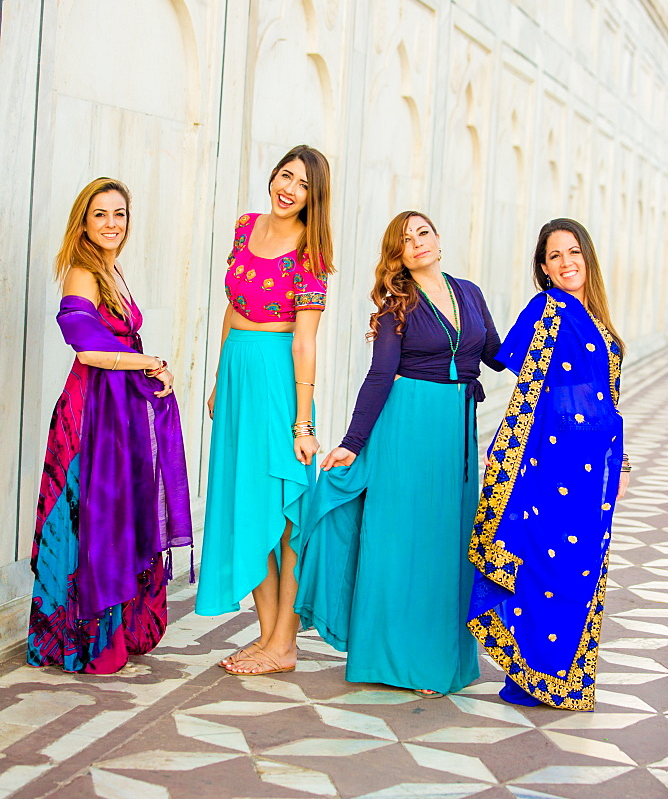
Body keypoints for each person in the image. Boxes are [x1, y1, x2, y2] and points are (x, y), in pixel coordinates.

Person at [295, 211, 504, 697]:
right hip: (406, 425)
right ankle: (398, 660)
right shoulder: (399, 305)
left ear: (438, 238)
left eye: (423, 233)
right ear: (398, 255)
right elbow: (379, 376)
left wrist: (553, 332)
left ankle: (439, 660)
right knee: (406, 542)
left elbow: (498, 353)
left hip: (455, 428)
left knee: (446, 543)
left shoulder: (469, 292)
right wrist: (351, 443)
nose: (418, 244)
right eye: (406, 241)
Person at [28, 178, 192, 674]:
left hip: (115, 410)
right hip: (89, 413)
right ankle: (76, 639)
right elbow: (87, 349)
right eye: (100, 214)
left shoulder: (111, 270)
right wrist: (148, 361)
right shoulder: (81, 273)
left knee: (113, 515)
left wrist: (149, 367)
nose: (111, 224)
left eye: (119, 214)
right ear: (84, 221)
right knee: (86, 518)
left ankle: (113, 628)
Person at [467, 218, 629, 710]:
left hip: (594, 469)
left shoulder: (598, 320)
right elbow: (517, 368)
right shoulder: (550, 308)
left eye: (573, 252)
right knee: (545, 562)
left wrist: (618, 464)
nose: (566, 263)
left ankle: (558, 676)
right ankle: (535, 673)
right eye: (555, 256)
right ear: (543, 268)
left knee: (579, 568)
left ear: (587, 257)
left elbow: (608, 399)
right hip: (553, 463)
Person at [196, 145, 334, 677]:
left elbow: (306, 343)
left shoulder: (311, 252)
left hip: (279, 378)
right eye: (285, 176)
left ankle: (285, 641)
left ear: (312, 197)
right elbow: (232, 306)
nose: (289, 188)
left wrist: (303, 423)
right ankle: (267, 636)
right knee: (244, 502)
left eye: (302, 184)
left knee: (285, 510)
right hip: (237, 375)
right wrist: (216, 380)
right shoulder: (244, 226)